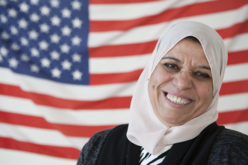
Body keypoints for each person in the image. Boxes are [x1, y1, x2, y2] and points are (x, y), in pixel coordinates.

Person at [77, 21, 248, 165]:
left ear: (215, 88)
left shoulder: (235, 152)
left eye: (201, 74)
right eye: (171, 65)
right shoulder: (99, 146)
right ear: (150, 71)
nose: (181, 84)